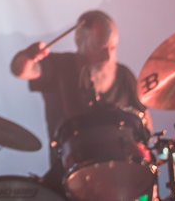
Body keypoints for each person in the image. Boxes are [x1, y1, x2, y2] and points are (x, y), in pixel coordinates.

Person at [9, 10, 147, 191]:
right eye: (100, 47)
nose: (107, 56)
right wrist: (28, 56)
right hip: (68, 175)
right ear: (80, 41)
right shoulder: (60, 66)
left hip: (119, 179)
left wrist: (142, 149)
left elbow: (144, 120)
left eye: (112, 48)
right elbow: (21, 71)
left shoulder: (123, 74)